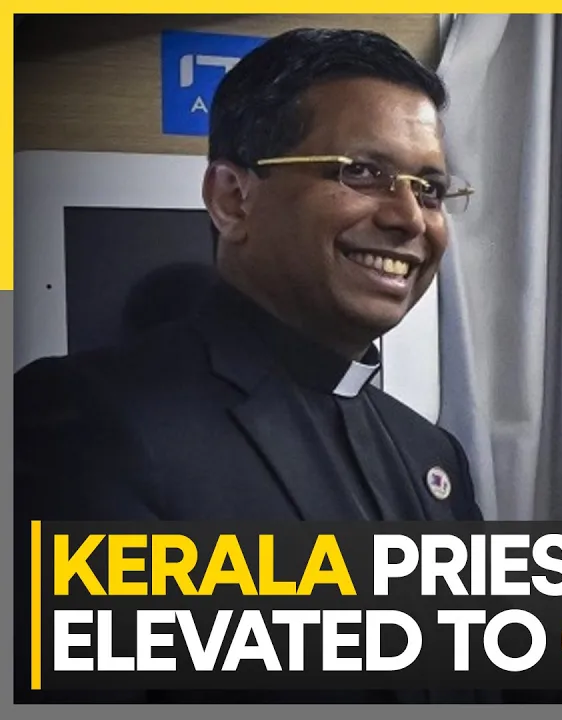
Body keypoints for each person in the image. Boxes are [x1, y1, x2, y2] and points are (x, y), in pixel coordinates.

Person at [14, 28, 483, 703]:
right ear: (233, 199)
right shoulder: (86, 423)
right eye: (362, 172)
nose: (411, 217)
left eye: (431, 189)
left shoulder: (430, 453)